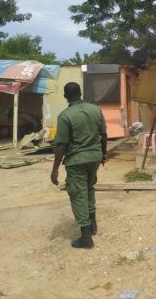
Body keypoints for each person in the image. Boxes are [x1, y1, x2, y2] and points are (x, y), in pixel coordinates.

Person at [50, 82, 107, 249]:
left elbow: (61, 144)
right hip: (94, 157)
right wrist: (103, 154)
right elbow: (103, 133)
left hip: (77, 160)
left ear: (65, 96)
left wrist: (55, 169)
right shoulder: (95, 109)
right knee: (89, 189)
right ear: (80, 93)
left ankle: (86, 238)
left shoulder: (65, 116)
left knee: (77, 194)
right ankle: (92, 225)